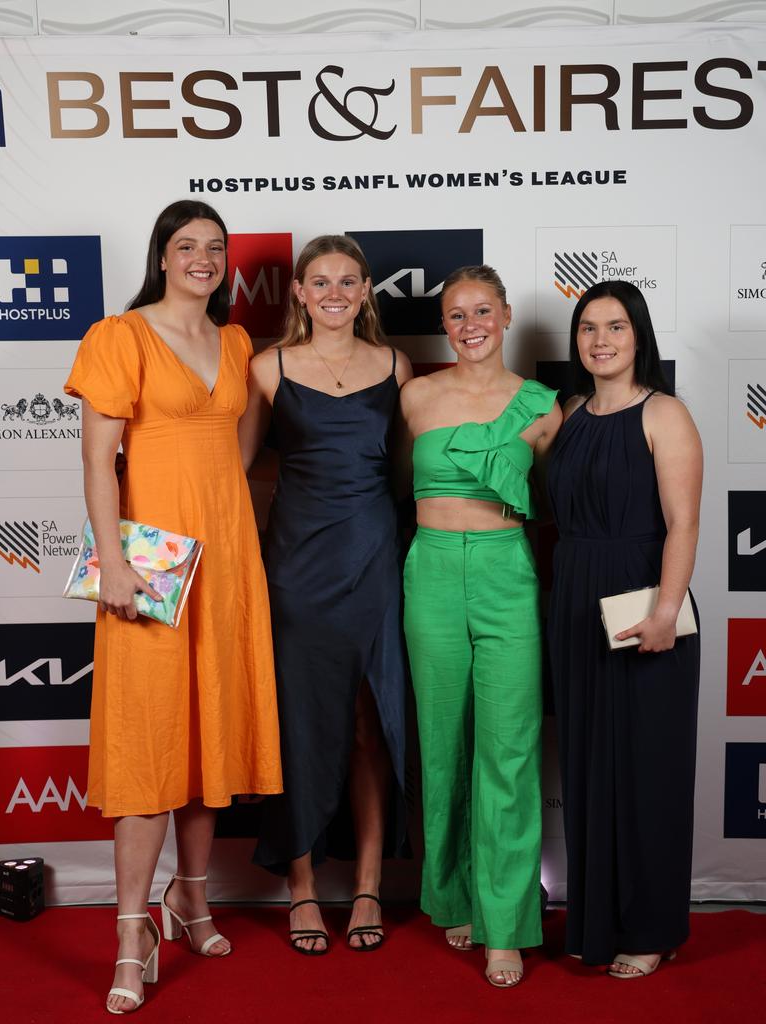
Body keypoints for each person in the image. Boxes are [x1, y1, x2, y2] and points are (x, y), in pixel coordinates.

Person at [65, 199, 282, 1014]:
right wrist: (113, 561)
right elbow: (97, 460)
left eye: (214, 247)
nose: (202, 258)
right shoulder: (117, 337)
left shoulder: (235, 344)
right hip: (150, 564)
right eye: (186, 246)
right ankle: (131, 930)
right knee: (148, 744)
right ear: (161, 256)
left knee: (203, 735)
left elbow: (240, 453)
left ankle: (192, 898)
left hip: (226, 560)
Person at [238, 235, 413, 954]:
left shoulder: (398, 366)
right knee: (300, 725)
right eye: (320, 281)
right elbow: (237, 470)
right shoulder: (267, 367)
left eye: (348, 280)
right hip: (295, 569)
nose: (335, 291)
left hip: (376, 559)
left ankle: (368, 883)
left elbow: (409, 474)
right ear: (300, 294)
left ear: (366, 290)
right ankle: (302, 887)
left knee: (373, 722)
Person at [398, 264, 561, 988]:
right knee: (444, 745)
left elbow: (555, 501)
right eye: (456, 315)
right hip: (429, 568)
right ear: (446, 324)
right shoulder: (415, 396)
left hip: (505, 569)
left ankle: (506, 924)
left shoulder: (542, 407)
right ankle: (456, 894)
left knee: (510, 749)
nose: (470, 326)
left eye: (482, 312)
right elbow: (387, 485)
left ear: (505, 315)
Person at [547, 279, 702, 977]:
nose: (599, 340)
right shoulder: (571, 412)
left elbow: (684, 522)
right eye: (587, 328)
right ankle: (598, 923)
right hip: (577, 600)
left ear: (638, 336)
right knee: (586, 766)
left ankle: (652, 928)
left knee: (647, 770)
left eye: (614, 327)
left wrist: (667, 610)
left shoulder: (664, 413)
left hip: (642, 595)